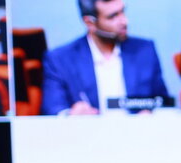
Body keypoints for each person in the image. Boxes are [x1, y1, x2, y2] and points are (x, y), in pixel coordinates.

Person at [42, 0, 170, 116]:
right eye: (113, 16)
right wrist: (71, 115)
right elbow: (53, 108)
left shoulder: (145, 51)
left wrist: (151, 113)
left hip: (139, 132)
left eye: (122, 12)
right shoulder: (60, 59)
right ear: (90, 22)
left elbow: (163, 101)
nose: (124, 21)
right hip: (87, 133)